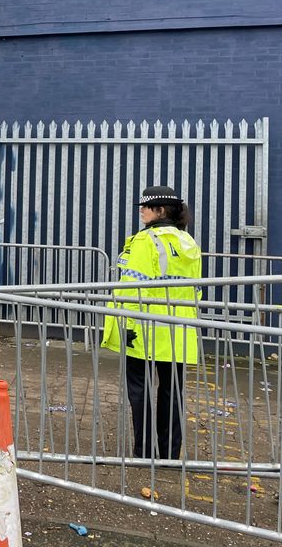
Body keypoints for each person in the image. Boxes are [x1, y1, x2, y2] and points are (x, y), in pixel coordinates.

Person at [101, 185, 201, 461]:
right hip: (179, 331)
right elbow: (195, 289)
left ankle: (144, 453)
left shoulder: (144, 241)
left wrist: (124, 325)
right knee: (173, 396)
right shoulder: (187, 242)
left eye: (146, 206)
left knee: (140, 395)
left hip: (143, 332)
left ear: (161, 210)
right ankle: (169, 455)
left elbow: (132, 289)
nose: (141, 211)